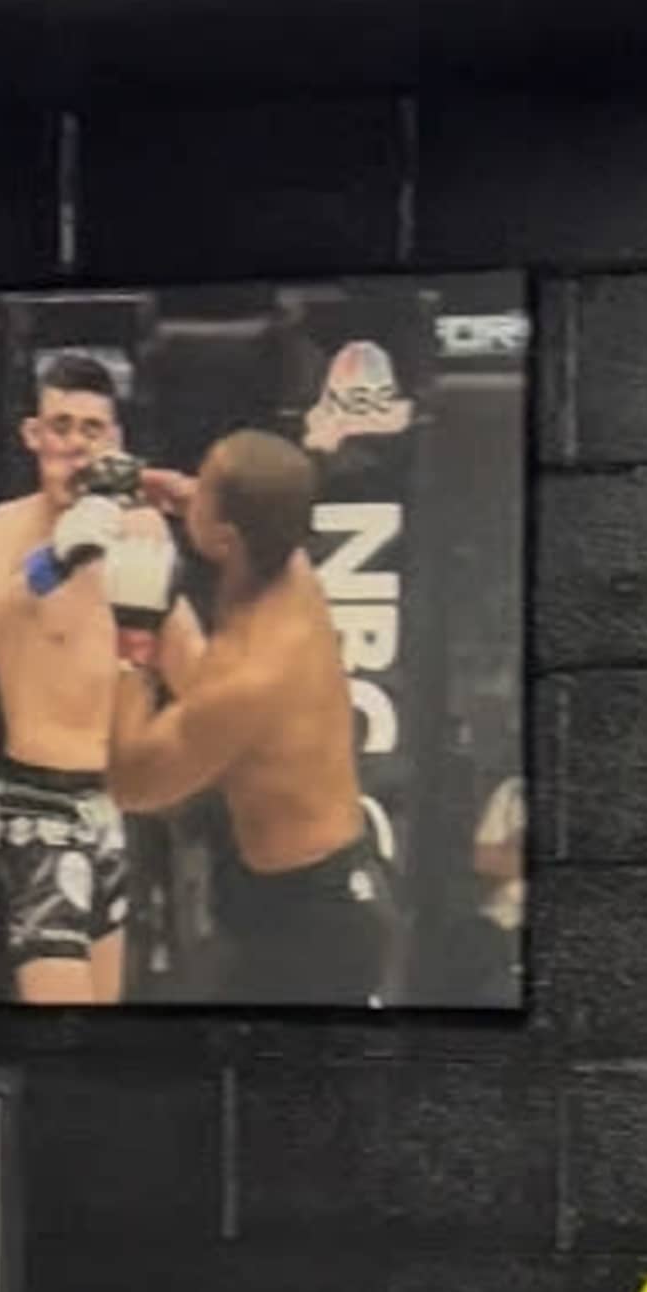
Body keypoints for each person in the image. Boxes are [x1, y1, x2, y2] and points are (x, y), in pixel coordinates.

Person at [106, 427, 384, 1007]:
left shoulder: (253, 671)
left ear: (229, 536)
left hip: (312, 924)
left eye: (202, 485)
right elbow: (213, 696)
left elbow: (132, 784)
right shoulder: (286, 563)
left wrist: (134, 633)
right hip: (281, 892)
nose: (189, 486)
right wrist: (177, 495)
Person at [0, 345, 145, 1007]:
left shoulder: (135, 530)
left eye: (91, 428)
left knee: (106, 1016)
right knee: (63, 1020)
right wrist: (47, 566)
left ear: (114, 440)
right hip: (37, 802)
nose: (74, 442)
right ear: (34, 435)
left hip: (114, 802)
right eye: (62, 425)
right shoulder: (7, 529)